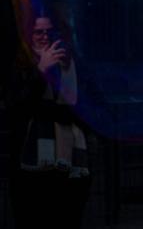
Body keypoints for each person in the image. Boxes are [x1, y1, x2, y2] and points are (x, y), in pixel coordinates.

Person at [7, 14, 91, 229]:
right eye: (38, 32)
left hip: (71, 161)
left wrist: (60, 112)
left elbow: (89, 107)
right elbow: (18, 106)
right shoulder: (21, 65)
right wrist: (41, 70)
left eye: (48, 31)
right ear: (29, 35)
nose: (44, 37)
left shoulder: (71, 63)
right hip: (32, 165)